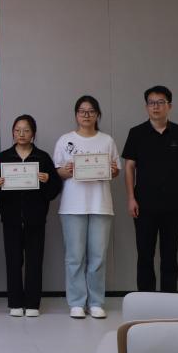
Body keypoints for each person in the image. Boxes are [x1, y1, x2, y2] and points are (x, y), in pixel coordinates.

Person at [121, 86, 178, 292]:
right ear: (146, 106)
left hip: (174, 204)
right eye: (151, 103)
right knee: (145, 254)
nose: (156, 107)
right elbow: (129, 167)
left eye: (160, 102)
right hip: (143, 204)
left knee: (170, 255)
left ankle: (169, 298)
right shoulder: (136, 133)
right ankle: (146, 298)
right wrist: (131, 198)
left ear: (169, 106)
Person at [53, 95, 120, 319]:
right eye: (82, 111)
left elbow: (116, 170)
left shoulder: (107, 140)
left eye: (91, 111)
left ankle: (96, 302)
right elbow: (58, 171)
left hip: (100, 204)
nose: (86, 115)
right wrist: (66, 171)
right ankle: (76, 302)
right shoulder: (65, 140)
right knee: (74, 257)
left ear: (98, 115)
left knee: (98, 257)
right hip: (72, 206)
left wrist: (112, 170)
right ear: (76, 115)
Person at [0, 114, 61, 317]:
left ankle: (32, 304)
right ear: (13, 133)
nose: (21, 134)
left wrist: (47, 180)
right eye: (17, 130)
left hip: (35, 218)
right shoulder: (3, 157)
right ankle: (15, 302)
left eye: (26, 130)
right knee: (13, 260)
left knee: (34, 261)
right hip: (11, 218)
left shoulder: (42, 158)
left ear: (33, 134)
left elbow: (54, 190)